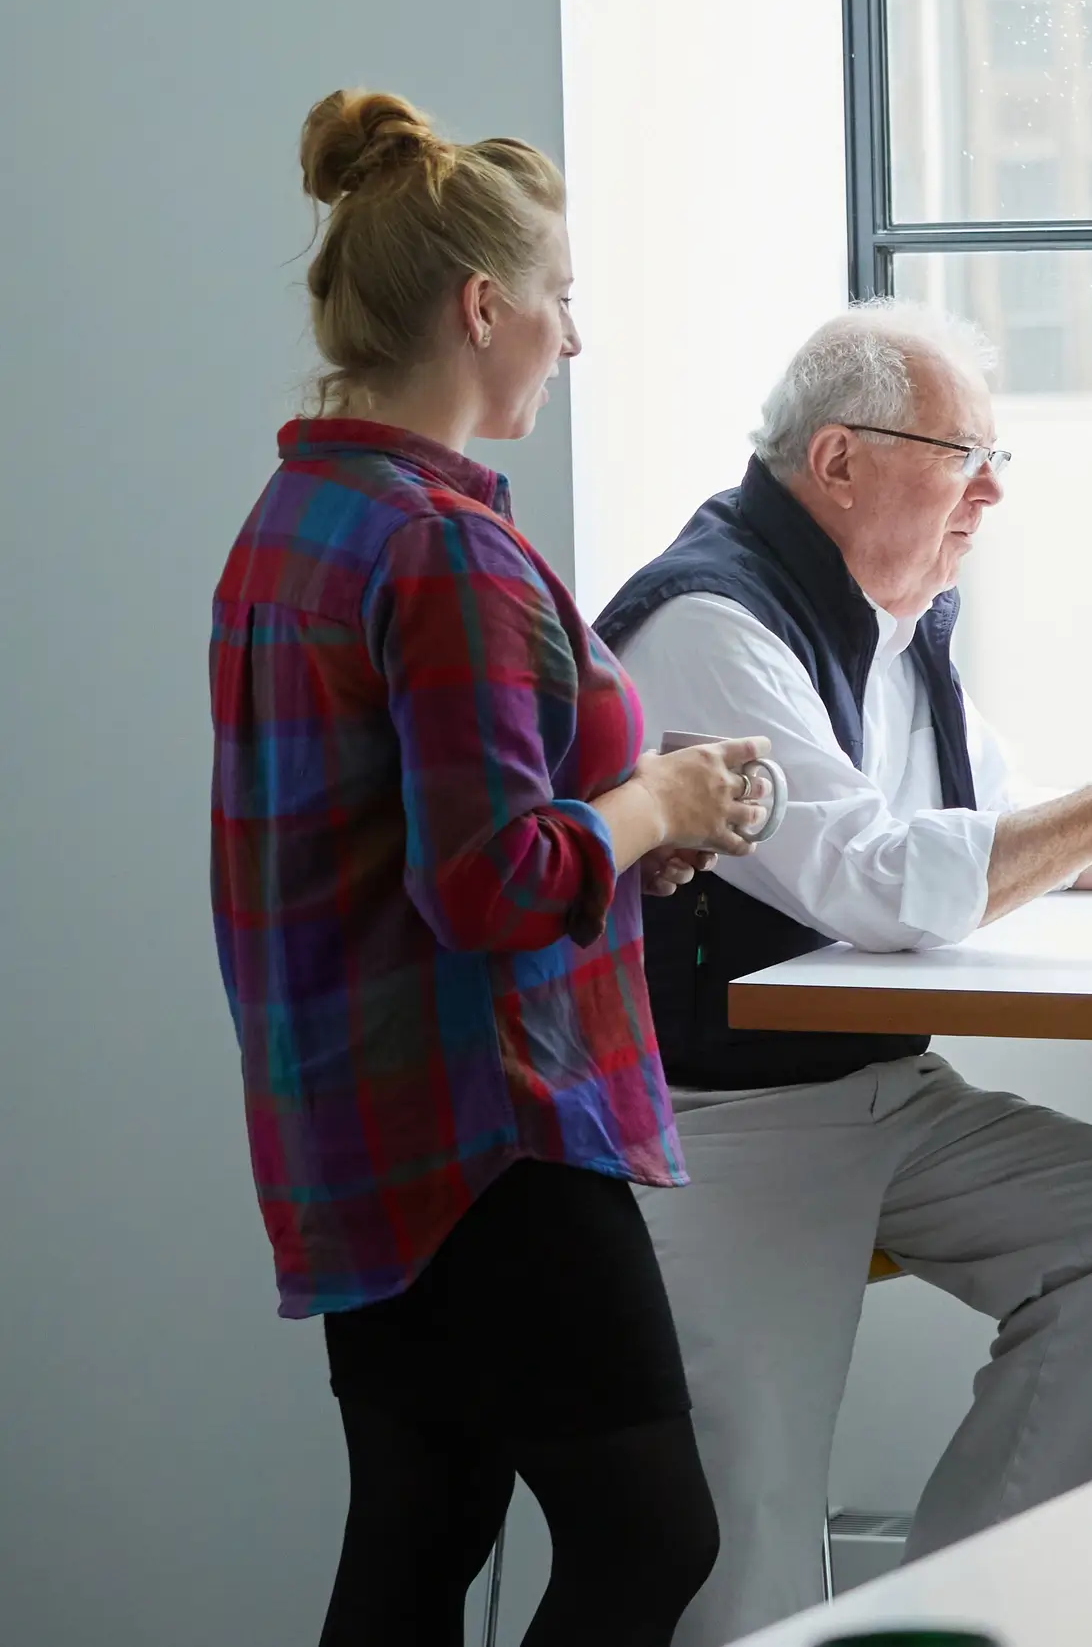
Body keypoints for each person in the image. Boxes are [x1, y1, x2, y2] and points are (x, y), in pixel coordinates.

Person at [601, 299, 1092, 1644]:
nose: (989, 491)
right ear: (841, 460)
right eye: (961, 452)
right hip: (720, 1119)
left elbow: (1001, 826)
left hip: (882, 1088)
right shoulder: (708, 622)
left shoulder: (890, 611)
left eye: (997, 458)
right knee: (744, 1543)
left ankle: (960, 1614)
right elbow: (881, 880)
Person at [211, 91, 774, 1647]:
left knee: (422, 1522)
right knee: (650, 1537)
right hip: (489, 1136)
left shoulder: (297, 517)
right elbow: (485, 883)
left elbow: (433, 839)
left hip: (356, 1126)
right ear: (482, 306)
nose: (572, 337)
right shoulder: (439, 545)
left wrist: (618, 829)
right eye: (562, 299)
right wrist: (654, 806)